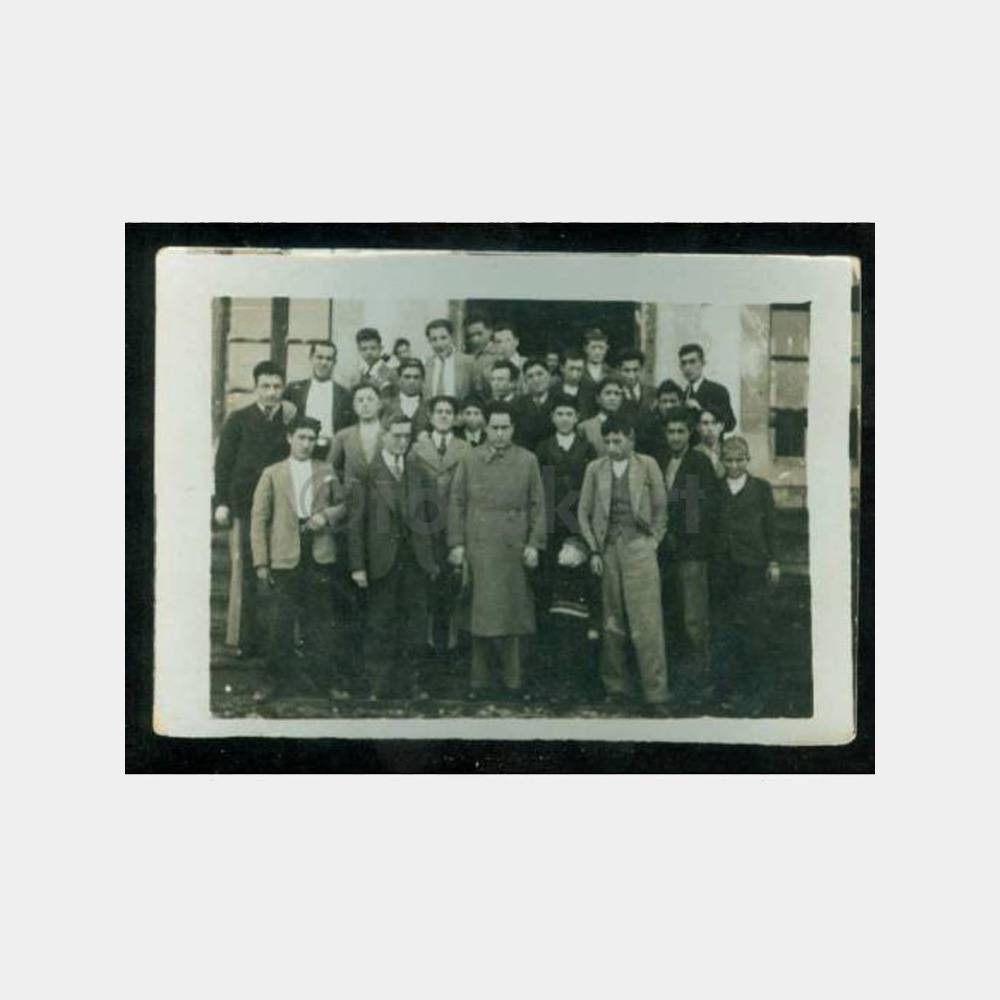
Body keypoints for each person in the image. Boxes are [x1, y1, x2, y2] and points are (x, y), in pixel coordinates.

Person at [447, 401, 546, 701]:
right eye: (495, 428)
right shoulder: (470, 458)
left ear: (513, 429)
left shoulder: (527, 460)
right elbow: (456, 502)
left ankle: (513, 681)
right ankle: (479, 682)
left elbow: (538, 505)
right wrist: (457, 544)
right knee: (481, 614)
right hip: (479, 545)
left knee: (513, 615)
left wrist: (534, 544)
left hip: (514, 546)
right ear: (485, 428)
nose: (500, 434)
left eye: (505, 428)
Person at [250, 416, 348, 703]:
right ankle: (272, 682)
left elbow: (344, 504)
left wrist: (325, 516)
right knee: (280, 624)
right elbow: (259, 519)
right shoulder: (272, 473)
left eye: (311, 439)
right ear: (289, 438)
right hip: (285, 555)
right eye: (301, 437)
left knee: (320, 623)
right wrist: (261, 562)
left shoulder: (326, 470)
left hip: (318, 553)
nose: (306, 444)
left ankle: (323, 682)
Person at [577, 415, 669, 711]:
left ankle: (656, 694)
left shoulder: (648, 465)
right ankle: (615, 689)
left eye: (618, 441)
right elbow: (583, 513)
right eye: (607, 442)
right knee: (611, 620)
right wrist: (594, 550)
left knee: (647, 622)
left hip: (640, 548)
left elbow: (661, 508)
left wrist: (653, 541)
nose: (612, 447)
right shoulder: (595, 469)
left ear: (631, 439)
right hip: (608, 550)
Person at [347, 415, 440, 700]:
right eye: (397, 436)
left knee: (415, 624)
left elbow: (432, 518)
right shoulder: (366, 473)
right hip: (381, 561)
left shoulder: (419, 472)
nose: (402, 442)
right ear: (383, 436)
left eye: (407, 436)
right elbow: (356, 524)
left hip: (414, 560)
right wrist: (358, 566)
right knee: (380, 622)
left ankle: (413, 683)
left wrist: (432, 559)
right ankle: (379, 684)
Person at [213, 360, 297, 656]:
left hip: (281, 509)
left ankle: (278, 643)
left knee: (280, 574)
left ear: (283, 388)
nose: (271, 392)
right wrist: (222, 502)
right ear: (255, 387)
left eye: (277, 386)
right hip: (246, 506)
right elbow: (223, 463)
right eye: (265, 386)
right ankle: (246, 641)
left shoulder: (290, 422)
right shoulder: (239, 419)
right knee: (247, 573)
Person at [710, 436, 780, 716]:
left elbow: (771, 527)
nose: (734, 465)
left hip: (752, 567)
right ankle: (727, 691)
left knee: (753, 630)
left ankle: (756, 694)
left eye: (740, 460)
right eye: (729, 460)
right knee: (724, 630)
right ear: (722, 461)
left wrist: (773, 561)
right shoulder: (715, 489)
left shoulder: (761, 489)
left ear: (748, 460)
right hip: (722, 569)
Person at [535, 395, 599, 697]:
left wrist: (582, 535)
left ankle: (579, 676)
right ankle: (550, 675)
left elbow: (592, 491)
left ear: (577, 417)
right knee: (550, 599)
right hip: (550, 531)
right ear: (552, 417)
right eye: (559, 413)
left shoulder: (587, 449)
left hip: (577, 530)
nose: (563, 418)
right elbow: (537, 491)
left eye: (569, 413)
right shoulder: (543, 448)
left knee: (578, 600)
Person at [659, 407, 719, 711]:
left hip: (691, 552)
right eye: (670, 432)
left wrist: (680, 539)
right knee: (671, 616)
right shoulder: (661, 461)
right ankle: (677, 682)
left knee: (694, 619)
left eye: (680, 431)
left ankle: (701, 683)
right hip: (665, 553)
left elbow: (699, 512)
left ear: (690, 433)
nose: (675, 437)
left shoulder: (698, 463)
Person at [410, 395, 471, 686]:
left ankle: (452, 651)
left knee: (454, 590)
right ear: (431, 417)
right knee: (426, 591)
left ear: (456, 418)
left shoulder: (466, 449)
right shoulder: (416, 449)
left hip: (454, 529)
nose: (444, 416)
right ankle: (429, 652)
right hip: (425, 528)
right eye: (439, 412)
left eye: (449, 412)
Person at [283, 340, 355, 459]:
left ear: (334, 362)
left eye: (329, 359)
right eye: (319, 357)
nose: (324, 363)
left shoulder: (345, 395)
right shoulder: (294, 389)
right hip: (302, 449)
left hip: (333, 452)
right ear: (311, 358)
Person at [329, 383, 385, 482]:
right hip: (352, 491)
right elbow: (330, 468)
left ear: (379, 404)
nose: (365, 404)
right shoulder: (343, 436)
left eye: (370, 399)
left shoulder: (390, 434)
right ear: (354, 406)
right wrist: (340, 489)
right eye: (360, 400)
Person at [678, 343, 736, 433]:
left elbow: (730, 424)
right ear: (680, 367)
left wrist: (701, 410)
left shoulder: (718, 391)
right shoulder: (683, 395)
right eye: (684, 363)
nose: (688, 367)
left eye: (692, 362)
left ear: (703, 363)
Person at [636, 379, 686, 467]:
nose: (668, 406)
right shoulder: (647, 428)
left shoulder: (688, 424)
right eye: (664, 401)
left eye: (673, 401)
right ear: (658, 403)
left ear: (680, 402)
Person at [424, 318, 476, 400]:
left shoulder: (468, 362)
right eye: (434, 339)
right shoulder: (426, 365)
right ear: (429, 342)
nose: (439, 344)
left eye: (443, 338)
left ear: (452, 337)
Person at [513, 357, 557, 451]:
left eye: (540, 374)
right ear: (525, 381)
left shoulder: (561, 401)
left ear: (549, 375)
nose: (536, 380)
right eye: (530, 376)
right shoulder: (517, 405)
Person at [576, 375, 626, 456]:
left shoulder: (628, 427)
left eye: (617, 394)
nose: (612, 398)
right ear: (598, 398)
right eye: (608, 393)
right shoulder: (584, 428)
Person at [384, 357, 431, 437]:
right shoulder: (386, 406)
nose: (411, 381)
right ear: (399, 379)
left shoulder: (430, 407)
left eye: (416, 377)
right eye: (407, 377)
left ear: (423, 380)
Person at [551, 348, 596, 419]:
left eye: (579, 369)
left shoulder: (593, 389)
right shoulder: (552, 389)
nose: (575, 373)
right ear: (562, 368)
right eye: (571, 369)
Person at [351, 327, 398, 395]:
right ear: (359, 350)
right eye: (364, 349)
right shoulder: (359, 374)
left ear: (381, 348)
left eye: (373, 348)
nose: (369, 352)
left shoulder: (391, 374)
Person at [617, 348, 656, 417]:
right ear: (619, 370)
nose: (631, 376)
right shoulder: (615, 393)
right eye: (626, 370)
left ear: (642, 369)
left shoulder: (653, 392)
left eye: (635, 370)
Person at [580, 327, 615, 398]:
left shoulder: (612, 373)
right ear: (585, 349)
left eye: (601, 348)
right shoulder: (579, 371)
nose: (597, 352)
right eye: (593, 347)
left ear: (607, 348)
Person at [694, 406, 726, 479]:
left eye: (714, 423)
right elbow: (691, 485)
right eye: (705, 423)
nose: (710, 428)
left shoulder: (728, 451)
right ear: (698, 427)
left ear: (722, 426)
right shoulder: (692, 456)